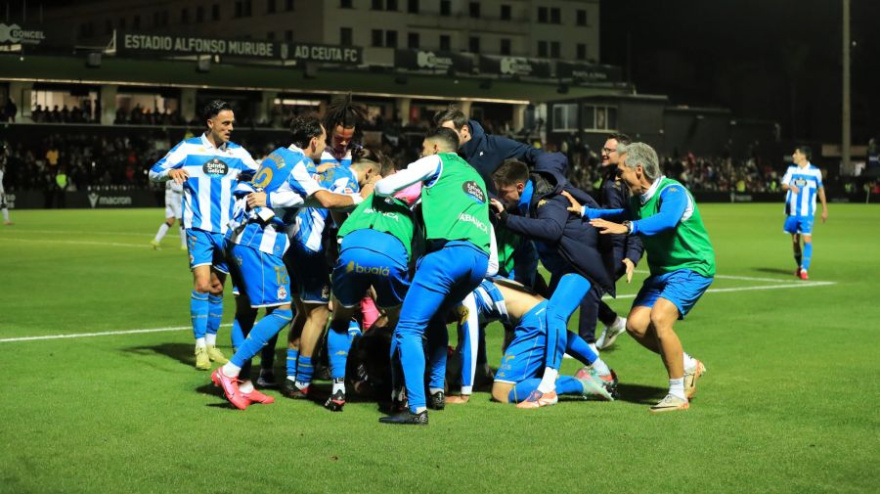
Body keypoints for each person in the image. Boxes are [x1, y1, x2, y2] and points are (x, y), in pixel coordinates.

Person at [211, 115, 364, 410]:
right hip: (259, 242)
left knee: (246, 313)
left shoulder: (276, 155)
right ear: (313, 141)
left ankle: (244, 382)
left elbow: (280, 194)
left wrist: (268, 197)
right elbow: (326, 201)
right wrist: (361, 198)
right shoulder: (302, 164)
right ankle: (230, 373)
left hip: (235, 237)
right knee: (282, 313)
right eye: (322, 140)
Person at [566, 142, 712, 413]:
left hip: (692, 268)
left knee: (659, 319)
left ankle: (677, 394)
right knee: (634, 325)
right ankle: (689, 364)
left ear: (639, 170)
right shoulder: (636, 200)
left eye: (622, 170)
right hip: (663, 273)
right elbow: (621, 213)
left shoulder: (673, 192)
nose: (618, 175)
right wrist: (586, 212)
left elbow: (667, 220)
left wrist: (627, 228)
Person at [373, 127, 492, 425]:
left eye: (424, 149)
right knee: (437, 316)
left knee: (408, 328)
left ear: (436, 147)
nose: (422, 155)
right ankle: (437, 389)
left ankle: (416, 408)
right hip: (478, 260)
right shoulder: (473, 175)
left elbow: (386, 188)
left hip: (447, 255)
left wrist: (378, 183)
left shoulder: (437, 162)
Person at [490, 156, 616, 409]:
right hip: (565, 267)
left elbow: (551, 230)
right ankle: (602, 372)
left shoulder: (549, 200)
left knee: (553, 316)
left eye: (504, 192)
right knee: (549, 321)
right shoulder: (529, 202)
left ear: (519, 187)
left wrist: (507, 220)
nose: (501, 197)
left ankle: (547, 388)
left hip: (580, 267)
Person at [149, 100, 258, 370]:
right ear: (210, 123)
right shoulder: (187, 148)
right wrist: (170, 173)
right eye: (225, 123)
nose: (231, 128)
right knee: (201, 284)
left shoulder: (238, 153)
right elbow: (153, 172)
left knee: (218, 288)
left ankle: (211, 344)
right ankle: (199, 347)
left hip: (227, 231)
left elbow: (260, 175)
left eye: (232, 123)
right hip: (198, 228)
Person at [322, 161, 420, 411]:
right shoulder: (409, 210)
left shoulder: (363, 201)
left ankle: (338, 390)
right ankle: (400, 392)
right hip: (391, 254)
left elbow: (338, 227)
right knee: (401, 326)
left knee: (341, 321)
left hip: (353, 250)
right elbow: (413, 256)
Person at [281, 156, 380, 401]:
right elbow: (340, 210)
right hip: (309, 247)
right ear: (368, 172)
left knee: (303, 314)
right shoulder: (347, 179)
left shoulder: (328, 172)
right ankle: (303, 380)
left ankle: (290, 375)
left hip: (290, 243)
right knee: (321, 314)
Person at [466, 278, 615, 404]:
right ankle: (602, 371)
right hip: (536, 310)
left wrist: (461, 392)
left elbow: (466, 337)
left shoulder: (458, 299)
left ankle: (585, 384)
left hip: (533, 320)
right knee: (553, 333)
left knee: (502, 392)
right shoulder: (466, 281)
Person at [589, 133, 643, 350]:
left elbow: (637, 220)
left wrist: (631, 256)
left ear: (623, 154)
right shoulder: (610, 176)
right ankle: (613, 322)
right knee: (586, 287)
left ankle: (588, 344)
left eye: (608, 150)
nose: (603, 152)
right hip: (604, 245)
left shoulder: (629, 182)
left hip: (619, 248)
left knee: (590, 289)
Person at [434, 106, 542, 195]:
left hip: (498, 216)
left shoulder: (494, 145)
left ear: (464, 130)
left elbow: (535, 153)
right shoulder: (445, 155)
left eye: (448, 133)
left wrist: (547, 181)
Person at [781, 146, 828, 280]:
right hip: (792, 212)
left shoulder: (815, 172)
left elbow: (820, 190)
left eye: (795, 153)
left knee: (807, 239)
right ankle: (800, 266)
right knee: (795, 241)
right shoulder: (791, 170)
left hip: (806, 212)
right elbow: (783, 184)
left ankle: (804, 269)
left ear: (803, 156)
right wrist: (790, 186)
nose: (793, 155)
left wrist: (825, 209)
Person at [150, 181, 187, 250]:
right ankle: (184, 245)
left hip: (169, 196)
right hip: (176, 197)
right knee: (182, 220)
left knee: (170, 220)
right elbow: (179, 187)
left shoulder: (169, 171)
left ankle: (156, 240)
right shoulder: (176, 172)